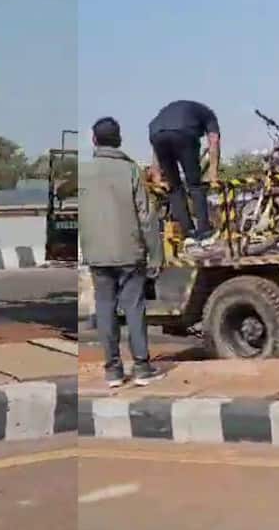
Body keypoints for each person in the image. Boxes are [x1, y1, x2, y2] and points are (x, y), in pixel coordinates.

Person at [79, 117, 164, 387]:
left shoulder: (83, 171)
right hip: (130, 252)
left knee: (104, 309)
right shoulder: (130, 170)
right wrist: (156, 253)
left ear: (94, 140)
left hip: (97, 254)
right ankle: (141, 367)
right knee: (134, 308)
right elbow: (146, 216)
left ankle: (113, 371)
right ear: (119, 140)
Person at [149, 100, 221, 248]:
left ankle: (188, 233)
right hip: (183, 132)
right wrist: (213, 172)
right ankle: (204, 232)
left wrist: (156, 172)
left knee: (174, 188)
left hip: (156, 135)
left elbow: (158, 143)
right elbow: (213, 141)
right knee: (195, 185)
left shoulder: (171, 111)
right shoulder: (209, 116)